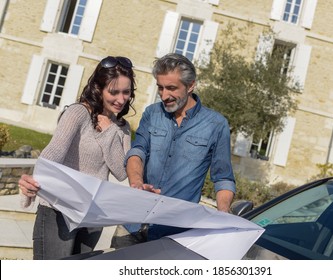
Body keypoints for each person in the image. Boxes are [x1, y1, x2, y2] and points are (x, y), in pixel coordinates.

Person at [111, 53, 236, 247]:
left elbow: (223, 178)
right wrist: (136, 184)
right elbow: (137, 152)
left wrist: (223, 215)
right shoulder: (152, 113)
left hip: (173, 234)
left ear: (191, 85)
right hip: (132, 224)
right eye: (160, 87)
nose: (164, 95)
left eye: (171, 88)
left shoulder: (216, 125)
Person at [18, 56, 136, 259]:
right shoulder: (78, 112)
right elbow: (54, 152)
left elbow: (120, 169)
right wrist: (32, 182)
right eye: (114, 92)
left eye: (126, 92)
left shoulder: (122, 128)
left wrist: (109, 128)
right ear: (99, 88)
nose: (121, 99)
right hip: (59, 208)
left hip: (92, 214)